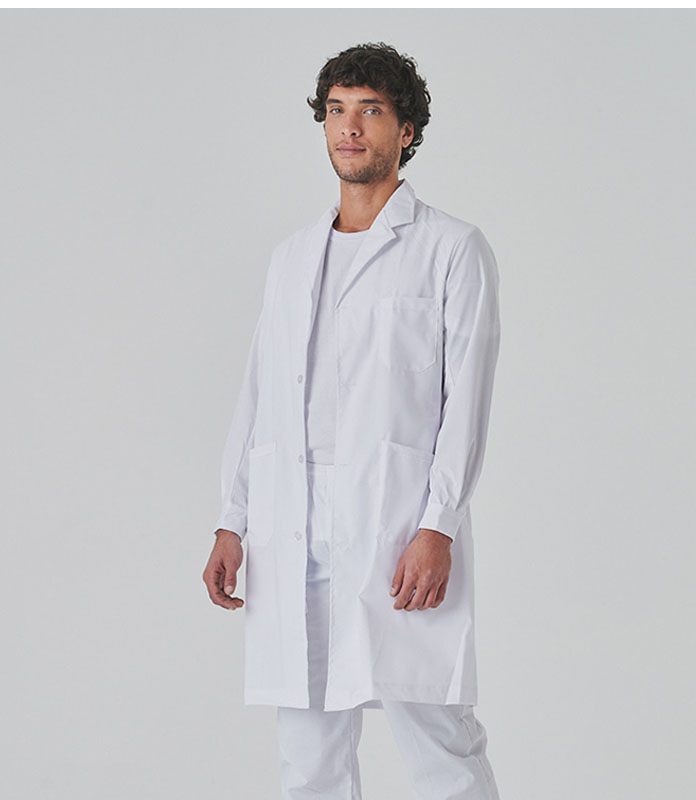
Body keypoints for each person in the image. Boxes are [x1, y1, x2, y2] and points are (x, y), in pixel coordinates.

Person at [202, 42, 502, 800]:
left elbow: (466, 402)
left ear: (407, 130)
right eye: (337, 110)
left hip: (395, 520)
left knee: (438, 737)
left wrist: (438, 525)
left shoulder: (451, 249)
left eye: (370, 110)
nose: (350, 128)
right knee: (309, 752)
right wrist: (232, 520)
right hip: (293, 520)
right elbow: (259, 395)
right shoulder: (292, 258)